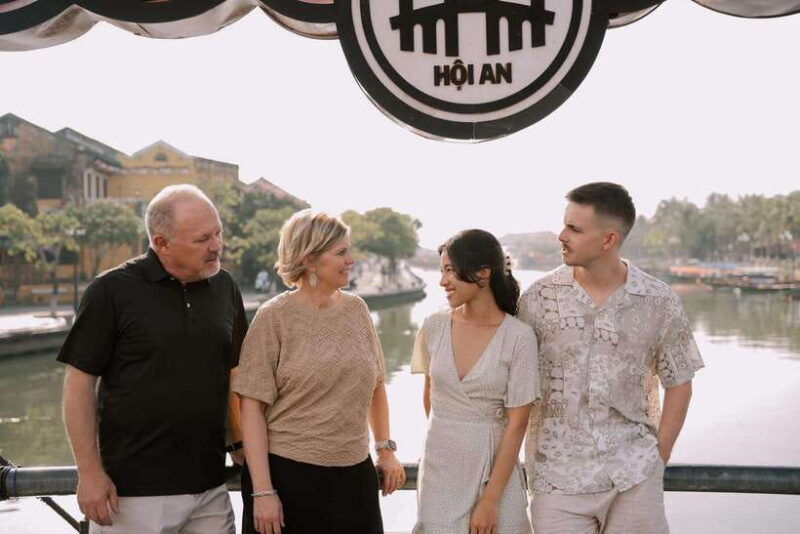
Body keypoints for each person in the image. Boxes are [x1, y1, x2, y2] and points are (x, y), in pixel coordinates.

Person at [58, 184, 248, 534]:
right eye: (202, 239)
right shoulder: (111, 291)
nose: (216, 246)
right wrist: (88, 471)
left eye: (218, 233)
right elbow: (79, 384)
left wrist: (237, 442)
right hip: (132, 496)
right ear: (161, 243)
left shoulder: (225, 287)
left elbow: (233, 373)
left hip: (210, 487)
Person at [519, 182, 705, 534]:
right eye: (564, 225)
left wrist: (656, 462)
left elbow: (680, 382)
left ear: (609, 240)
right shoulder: (538, 299)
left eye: (574, 228)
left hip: (633, 476)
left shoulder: (658, 301)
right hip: (557, 482)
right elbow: (514, 387)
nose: (561, 235)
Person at [232, 209, 405, 534]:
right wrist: (264, 492)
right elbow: (251, 409)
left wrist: (385, 450)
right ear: (310, 259)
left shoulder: (357, 310)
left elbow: (376, 386)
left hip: (355, 479)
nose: (351, 259)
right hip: (288, 480)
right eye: (341, 252)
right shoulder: (274, 318)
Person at [411, 229, 539, 534]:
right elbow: (430, 397)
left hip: (496, 470)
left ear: (483, 273)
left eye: (451, 271)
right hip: (439, 470)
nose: (443, 281)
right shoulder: (434, 326)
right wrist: (450, 442)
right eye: (442, 271)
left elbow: (518, 422)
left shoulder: (518, 337)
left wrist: (490, 500)